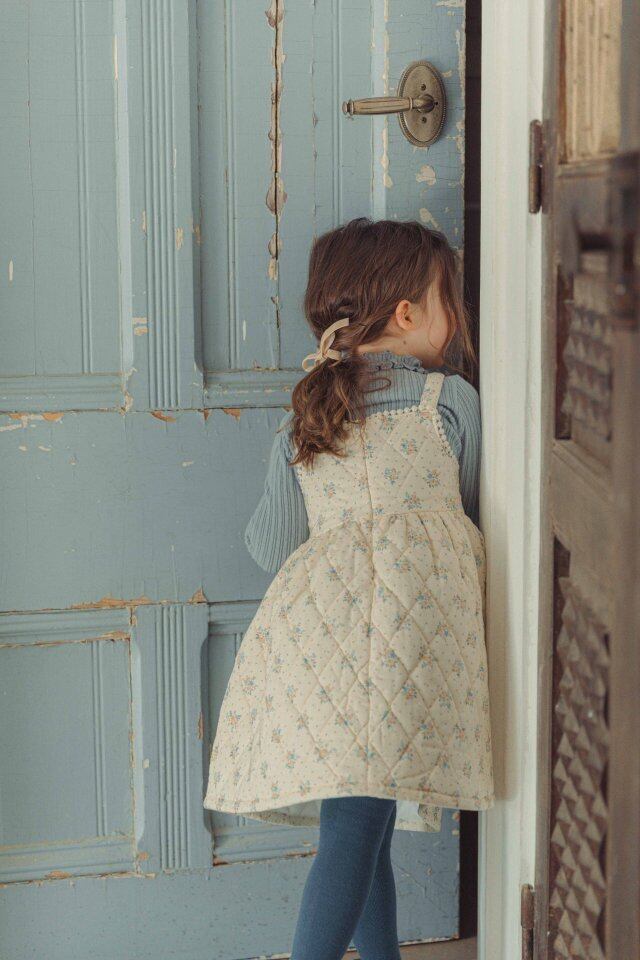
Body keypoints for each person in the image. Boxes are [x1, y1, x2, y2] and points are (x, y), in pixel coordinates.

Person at [203, 217, 494, 959]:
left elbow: (272, 544)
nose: (457, 320)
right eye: (449, 302)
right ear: (408, 314)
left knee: (365, 821)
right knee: (359, 823)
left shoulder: (306, 418)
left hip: (323, 649)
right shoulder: (449, 401)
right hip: (406, 642)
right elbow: (471, 508)